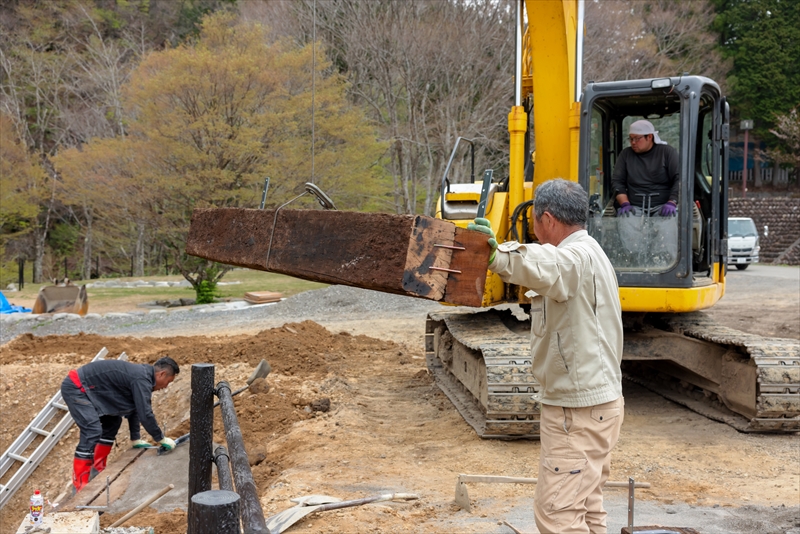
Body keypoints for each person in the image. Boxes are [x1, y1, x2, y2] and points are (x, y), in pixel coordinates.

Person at [469, 179, 624, 534]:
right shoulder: (593, 252)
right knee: (587, 508)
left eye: (535, 223)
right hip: (599, 405)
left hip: (577, 411)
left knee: (558, 516)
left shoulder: (573, 258)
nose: (535, 232)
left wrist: (497, 256)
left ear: (548, 220)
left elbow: (546, 263)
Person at [60, 357, 179, 492]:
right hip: (77, 387)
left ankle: (97, 470)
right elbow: (145, 414)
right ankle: (80, 486)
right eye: (168, 382)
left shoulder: (143, 377)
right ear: (161, 374)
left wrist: (135, 438)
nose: (165, 386)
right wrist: (160, 438)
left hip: (92, 388)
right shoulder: (141, 379)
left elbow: (136, 407)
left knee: (113, 421)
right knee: (92, 430)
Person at [611, 119, 679, 217]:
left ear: (650, 137)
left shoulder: (667, 152)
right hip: (634, 206)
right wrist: (625, 204)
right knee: (626, 222)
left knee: (667, 224)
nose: (633, 142)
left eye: (637, 138)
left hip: (663, 206)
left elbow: (679, 179)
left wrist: (672, 202)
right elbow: (617, 182)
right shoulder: (625, 155)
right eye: (631, 139)